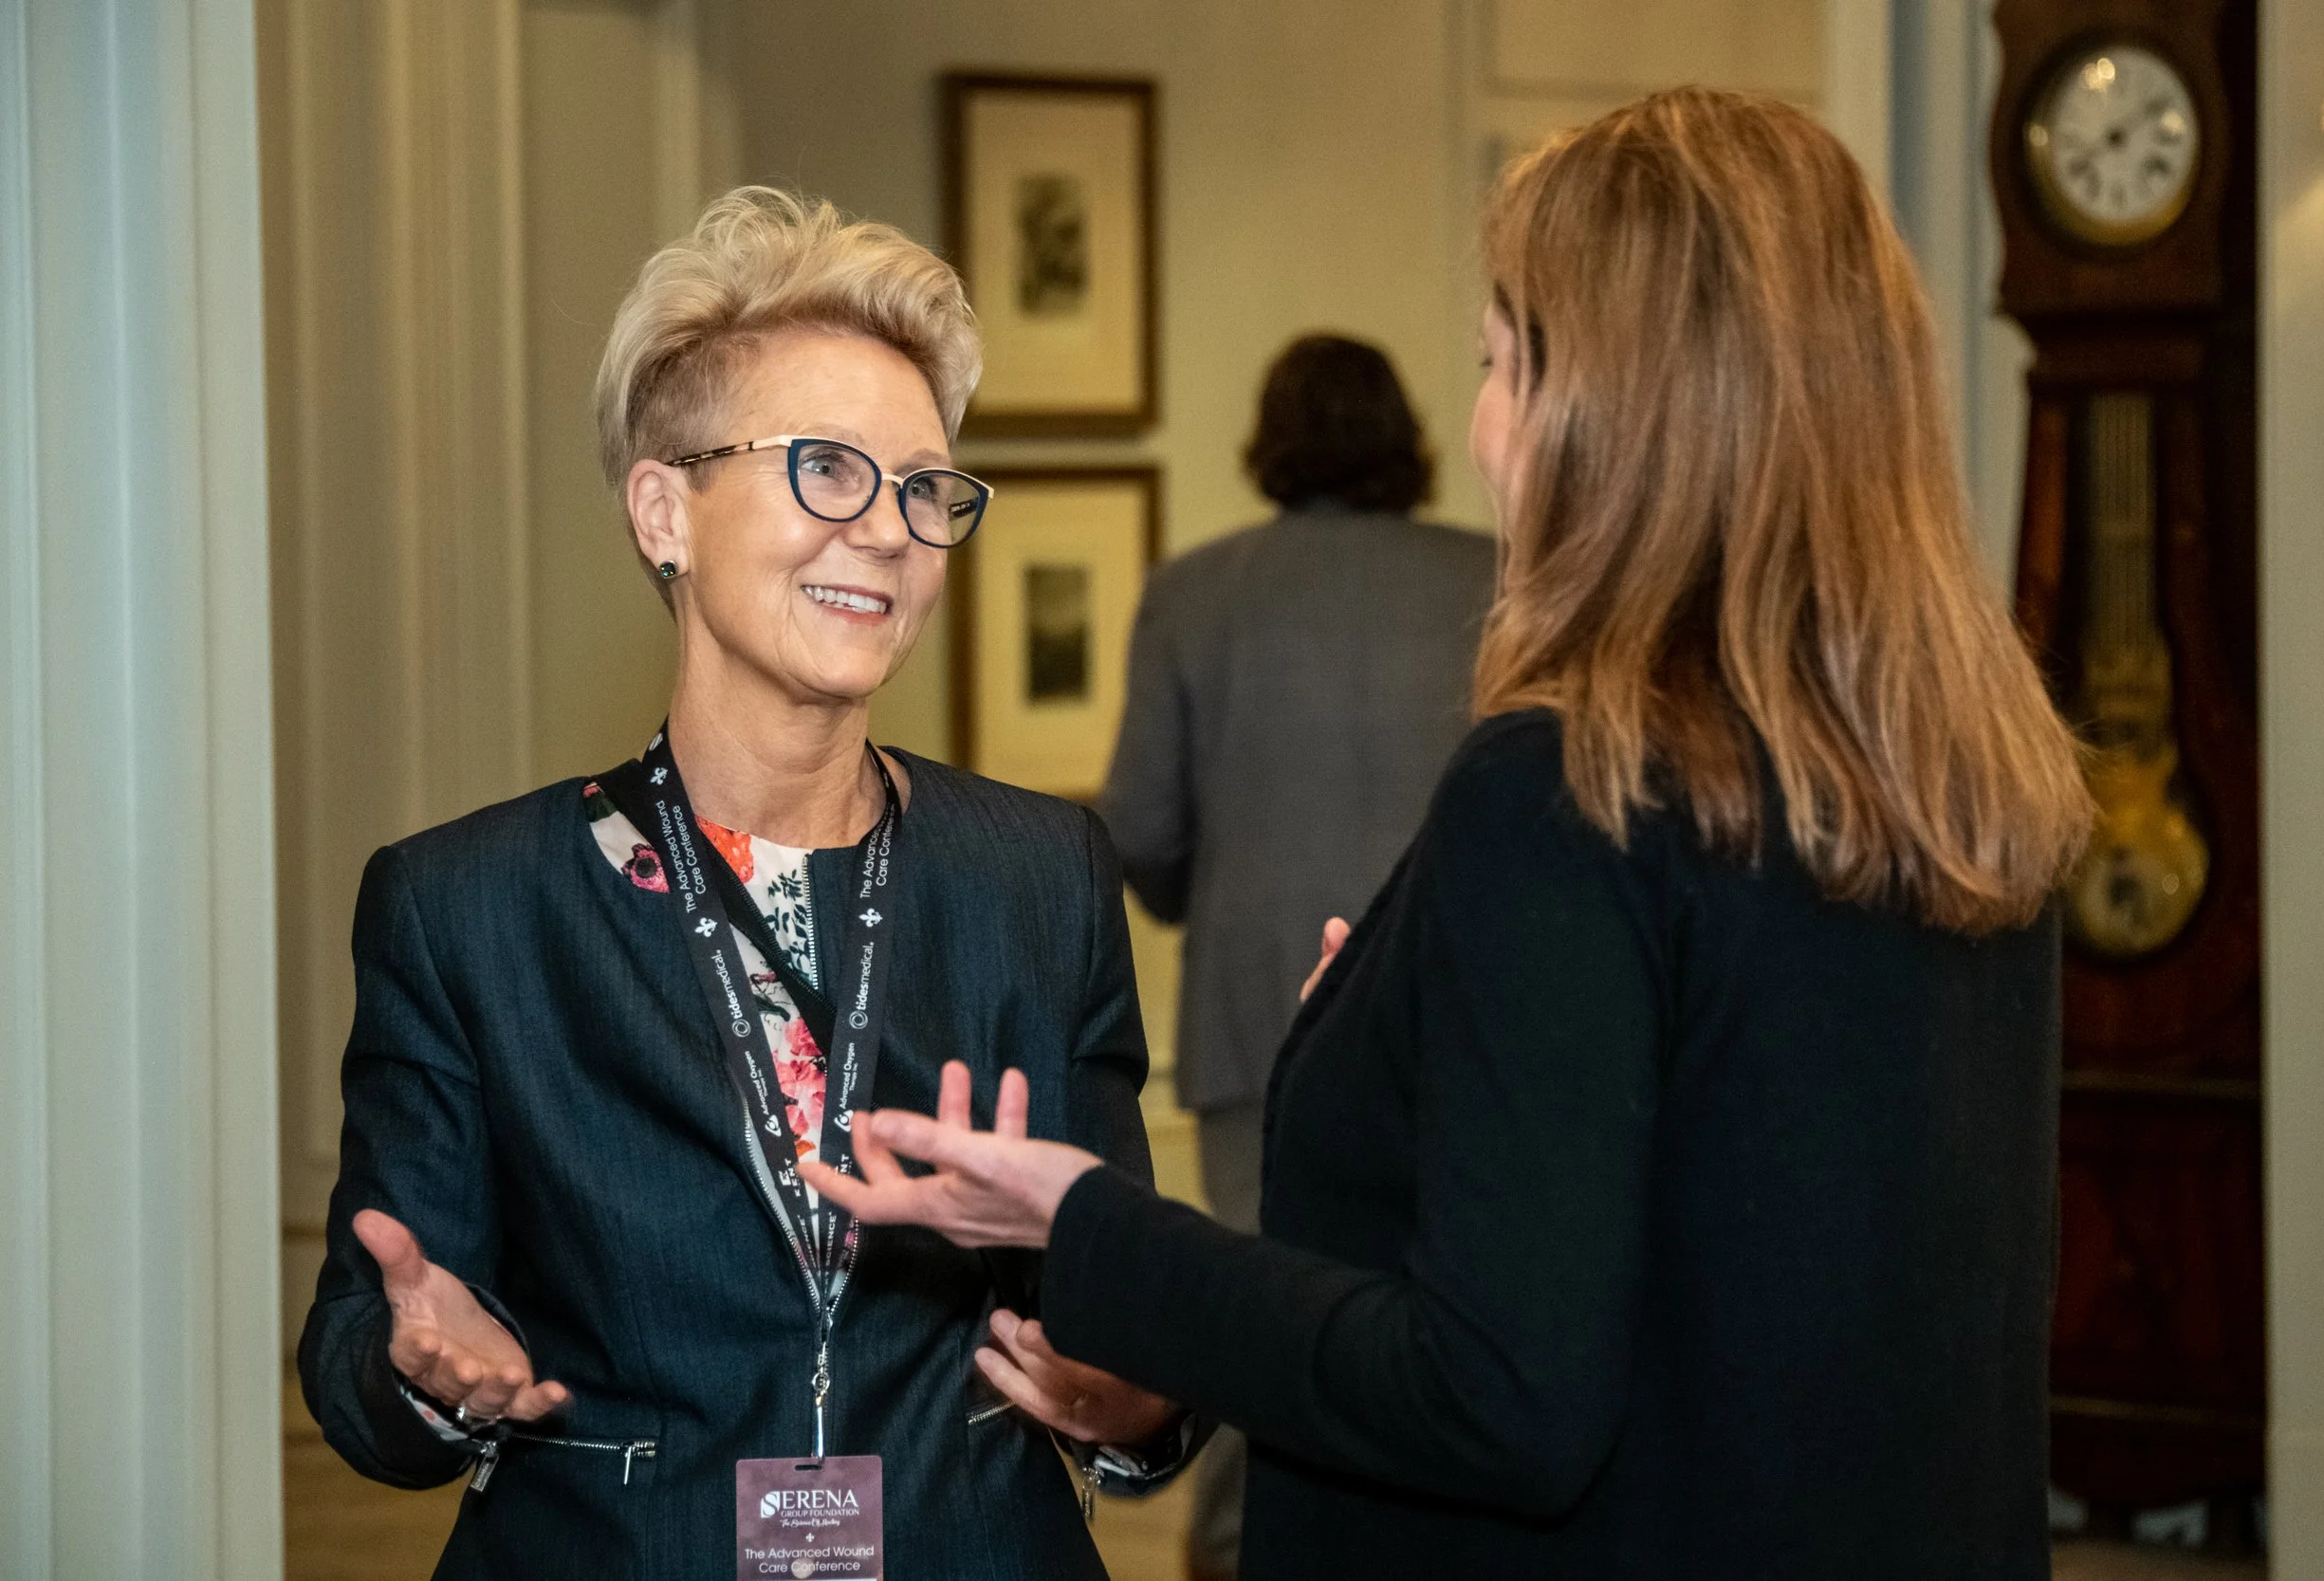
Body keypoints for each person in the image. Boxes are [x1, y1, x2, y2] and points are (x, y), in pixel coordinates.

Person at [802, 88, 2094, 1579]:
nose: (1484, 423)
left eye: (1497, 363)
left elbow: (1497, 1397)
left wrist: (1086, 1217)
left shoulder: (1568, 789)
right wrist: (1407, 1051)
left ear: (1606, 409)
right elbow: (1726, 1254)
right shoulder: (1968, 788)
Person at [298, 187, 1190, 1580]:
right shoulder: (465, 907)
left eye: (922, 488)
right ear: (666, 507)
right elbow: (366, 1341)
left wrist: (1135, 1391)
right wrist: (423, 1370)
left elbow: (1115, 1316)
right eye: (826, 469)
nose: (889, 530)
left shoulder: (1041, 873)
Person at [1099, 332, 1492, 1579]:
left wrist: (1202, 890)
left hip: (1256, 1017)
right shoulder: (1501, 575)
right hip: (1472, 1014)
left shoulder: (1195, 589)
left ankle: (1231, 1558)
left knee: (1262, 1319)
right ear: (1409, 433)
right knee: (1457, 1318)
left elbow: (1140, 827)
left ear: (1268, 441)